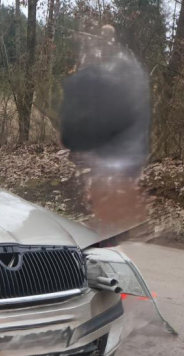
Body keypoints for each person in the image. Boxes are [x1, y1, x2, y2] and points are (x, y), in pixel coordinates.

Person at [60, 24, 151, 237]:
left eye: (107, 38)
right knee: (107, 177)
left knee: (108, 177)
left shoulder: (121, 64)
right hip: (122, 138)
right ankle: (121, 223)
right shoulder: (116, 63)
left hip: (123, 139)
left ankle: (123, 224)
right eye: (102, 38)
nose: (104, 43)